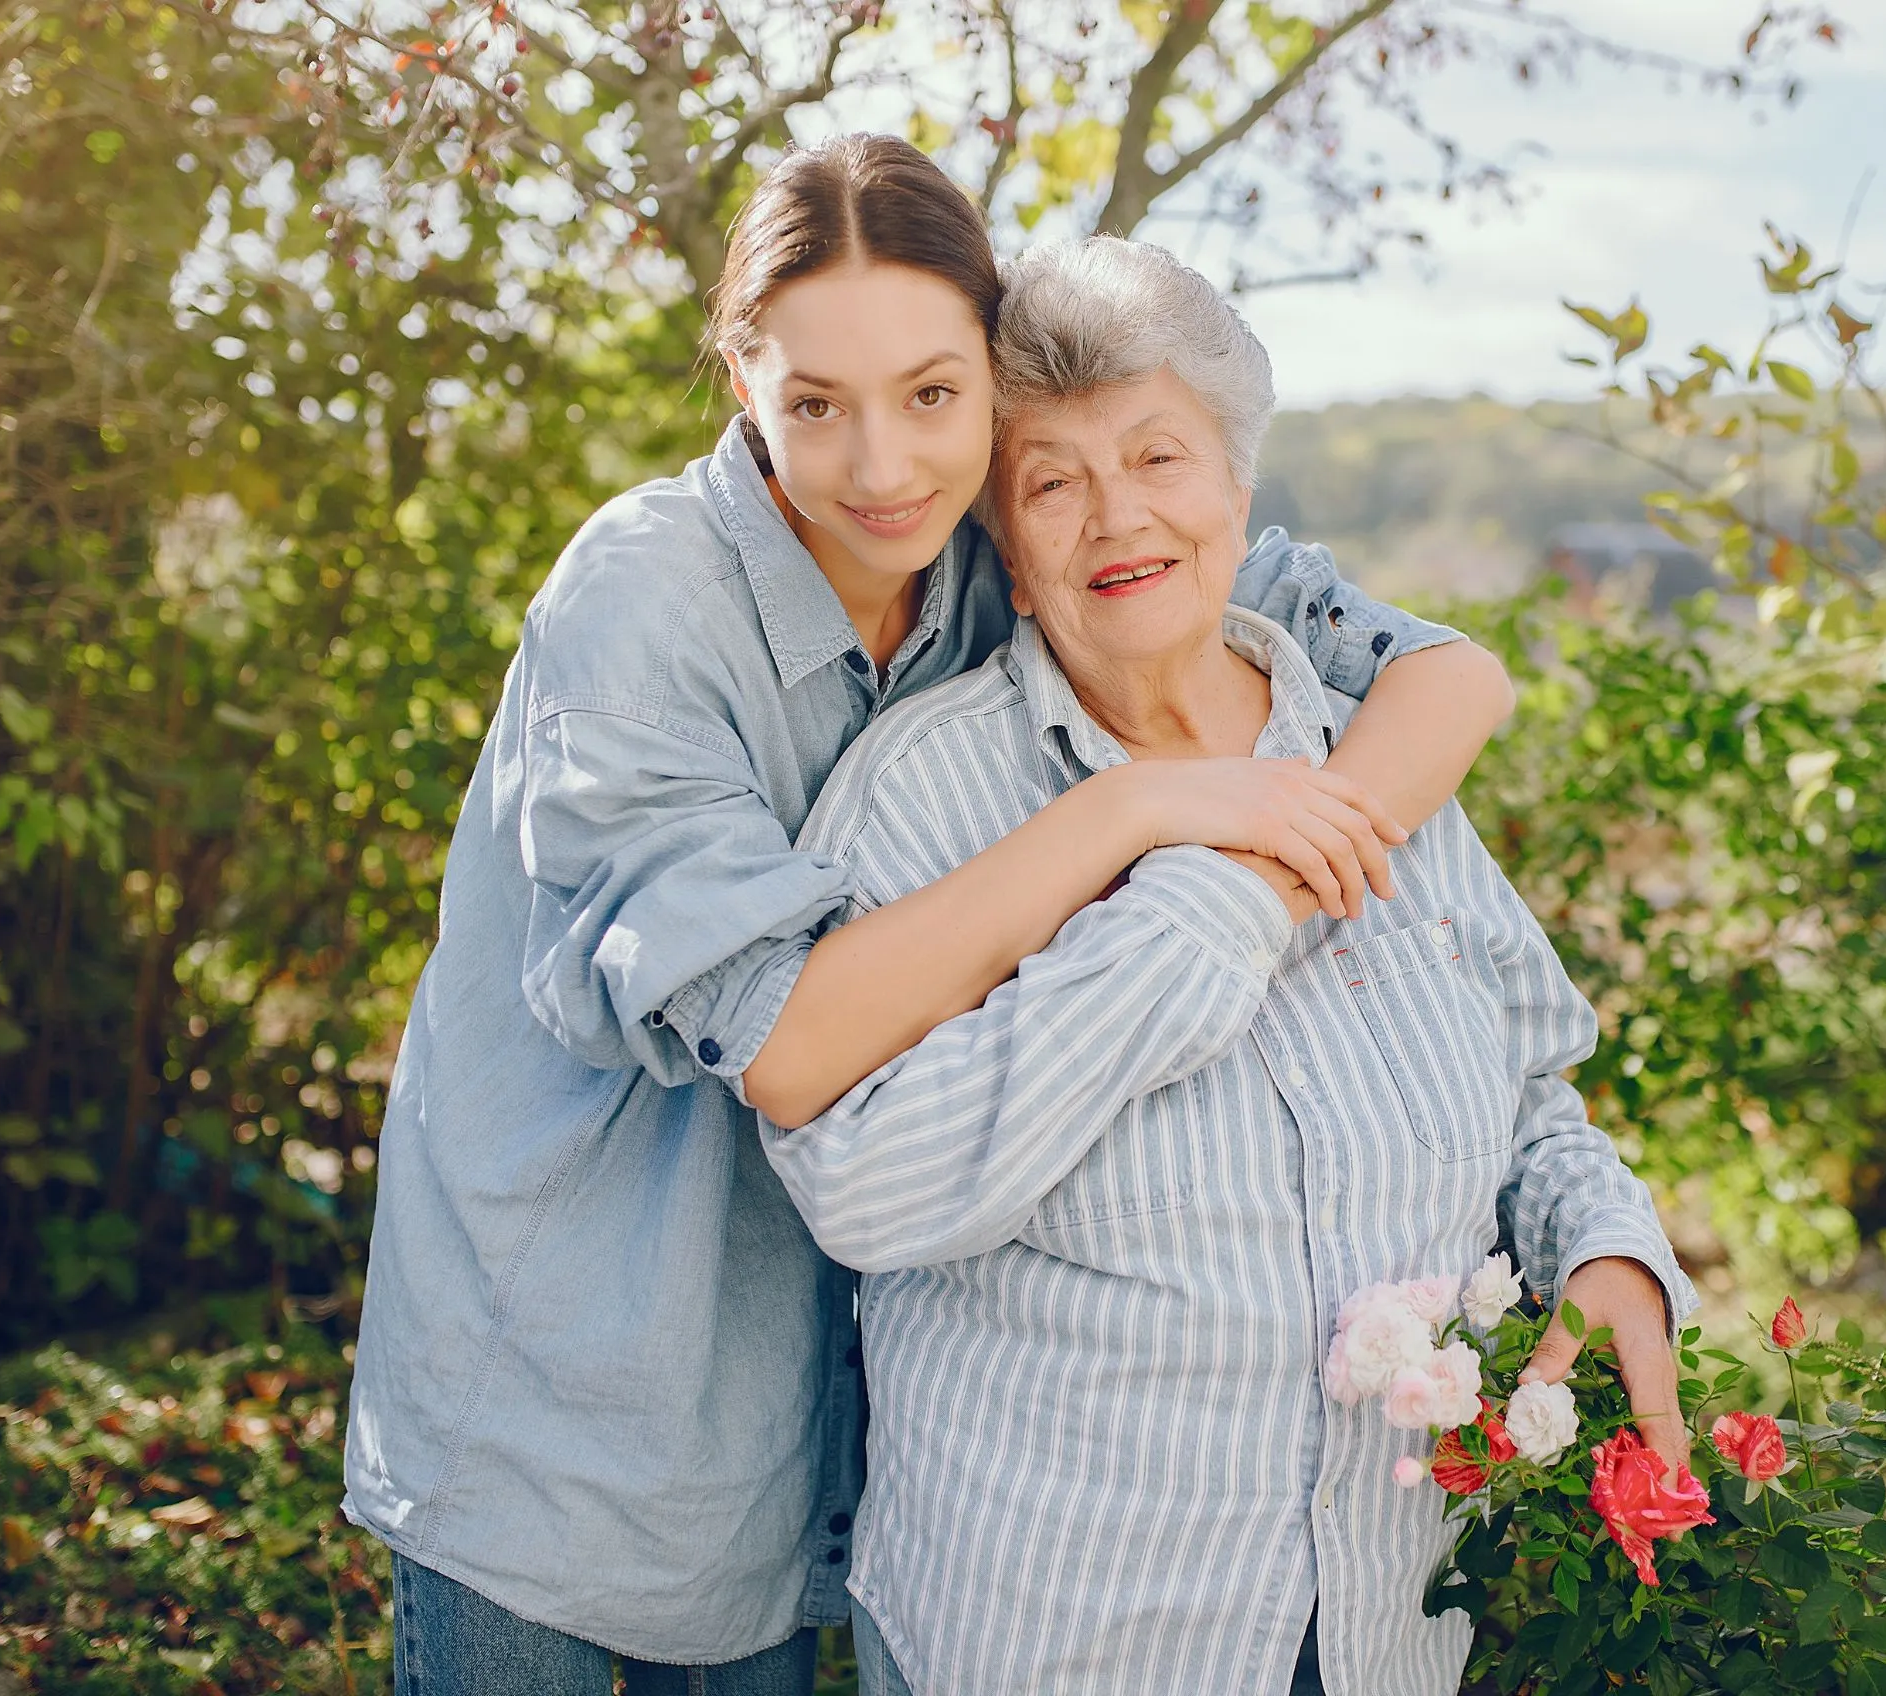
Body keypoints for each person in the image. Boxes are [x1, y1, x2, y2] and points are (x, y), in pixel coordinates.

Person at [343, 137, 1518, 1695]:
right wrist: (1141, 812)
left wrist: (1268, 870)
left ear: (985, 373)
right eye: (814, 404)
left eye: (931, 395)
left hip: (805, 1413)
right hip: (569, 1391)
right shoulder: (642, 602)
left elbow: (1451, 677)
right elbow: (791, 1038)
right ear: (739, 379)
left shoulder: (1018, 537)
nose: (883, 465)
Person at [763, 237, 1698, 1696]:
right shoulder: (920, 805)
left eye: (1159, 458)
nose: (1116, 517)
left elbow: (1526, 1083)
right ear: (1003, 537)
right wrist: (1216, 908)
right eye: (1053, 481)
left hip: (1388, 1624)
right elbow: (863, 1192)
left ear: (1238, 493)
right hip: (1064, 1636)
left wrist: (1609, 1248)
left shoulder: (1371, 747)